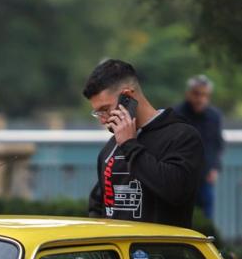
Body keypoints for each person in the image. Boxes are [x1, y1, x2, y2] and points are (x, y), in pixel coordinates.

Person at [83, 59, 204, 228]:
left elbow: (176, 191)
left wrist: (130, 145)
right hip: (119, 252)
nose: (103, 120)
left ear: (128, 96)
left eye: (105, 109)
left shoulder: (182, 136)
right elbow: (97, 204)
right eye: (98, 112)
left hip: (161, 251)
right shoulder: (111, 146)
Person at [173, 74, 225, 222]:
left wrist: (215, 168)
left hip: (205, 177)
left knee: (206, 218)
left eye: (204, 95)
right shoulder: (177, 113)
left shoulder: (214, 116)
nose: (200, 99)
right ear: (188, 93)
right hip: (181, 178)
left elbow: (218, 144)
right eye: (196, 94)